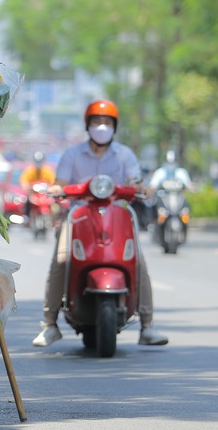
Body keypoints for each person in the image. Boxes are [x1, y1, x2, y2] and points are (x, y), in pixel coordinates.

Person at [32, 100, 169, 347]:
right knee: (62, 260)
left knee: (138, 262)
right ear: (88, 125)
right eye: (97, 122)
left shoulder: (125, 154)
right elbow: (61, 182)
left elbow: (135, 181)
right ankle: (50, 324)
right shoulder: (72, 154)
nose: (102, 126)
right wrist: (57, 188)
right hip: (79, 217)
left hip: (116, 217)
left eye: (107, 122)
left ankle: (147, 325)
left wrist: (142, 188)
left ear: (114, 127)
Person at [18, 151, 56, 219]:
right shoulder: (29, 170)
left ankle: (56, 218)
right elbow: (24, 181)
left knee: (56, 201)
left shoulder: (47, 170)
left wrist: (52, 188)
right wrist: (27, 187)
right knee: (27, 201)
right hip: (34, 193)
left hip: (45, 193)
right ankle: (27, 217)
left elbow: (53, 181)